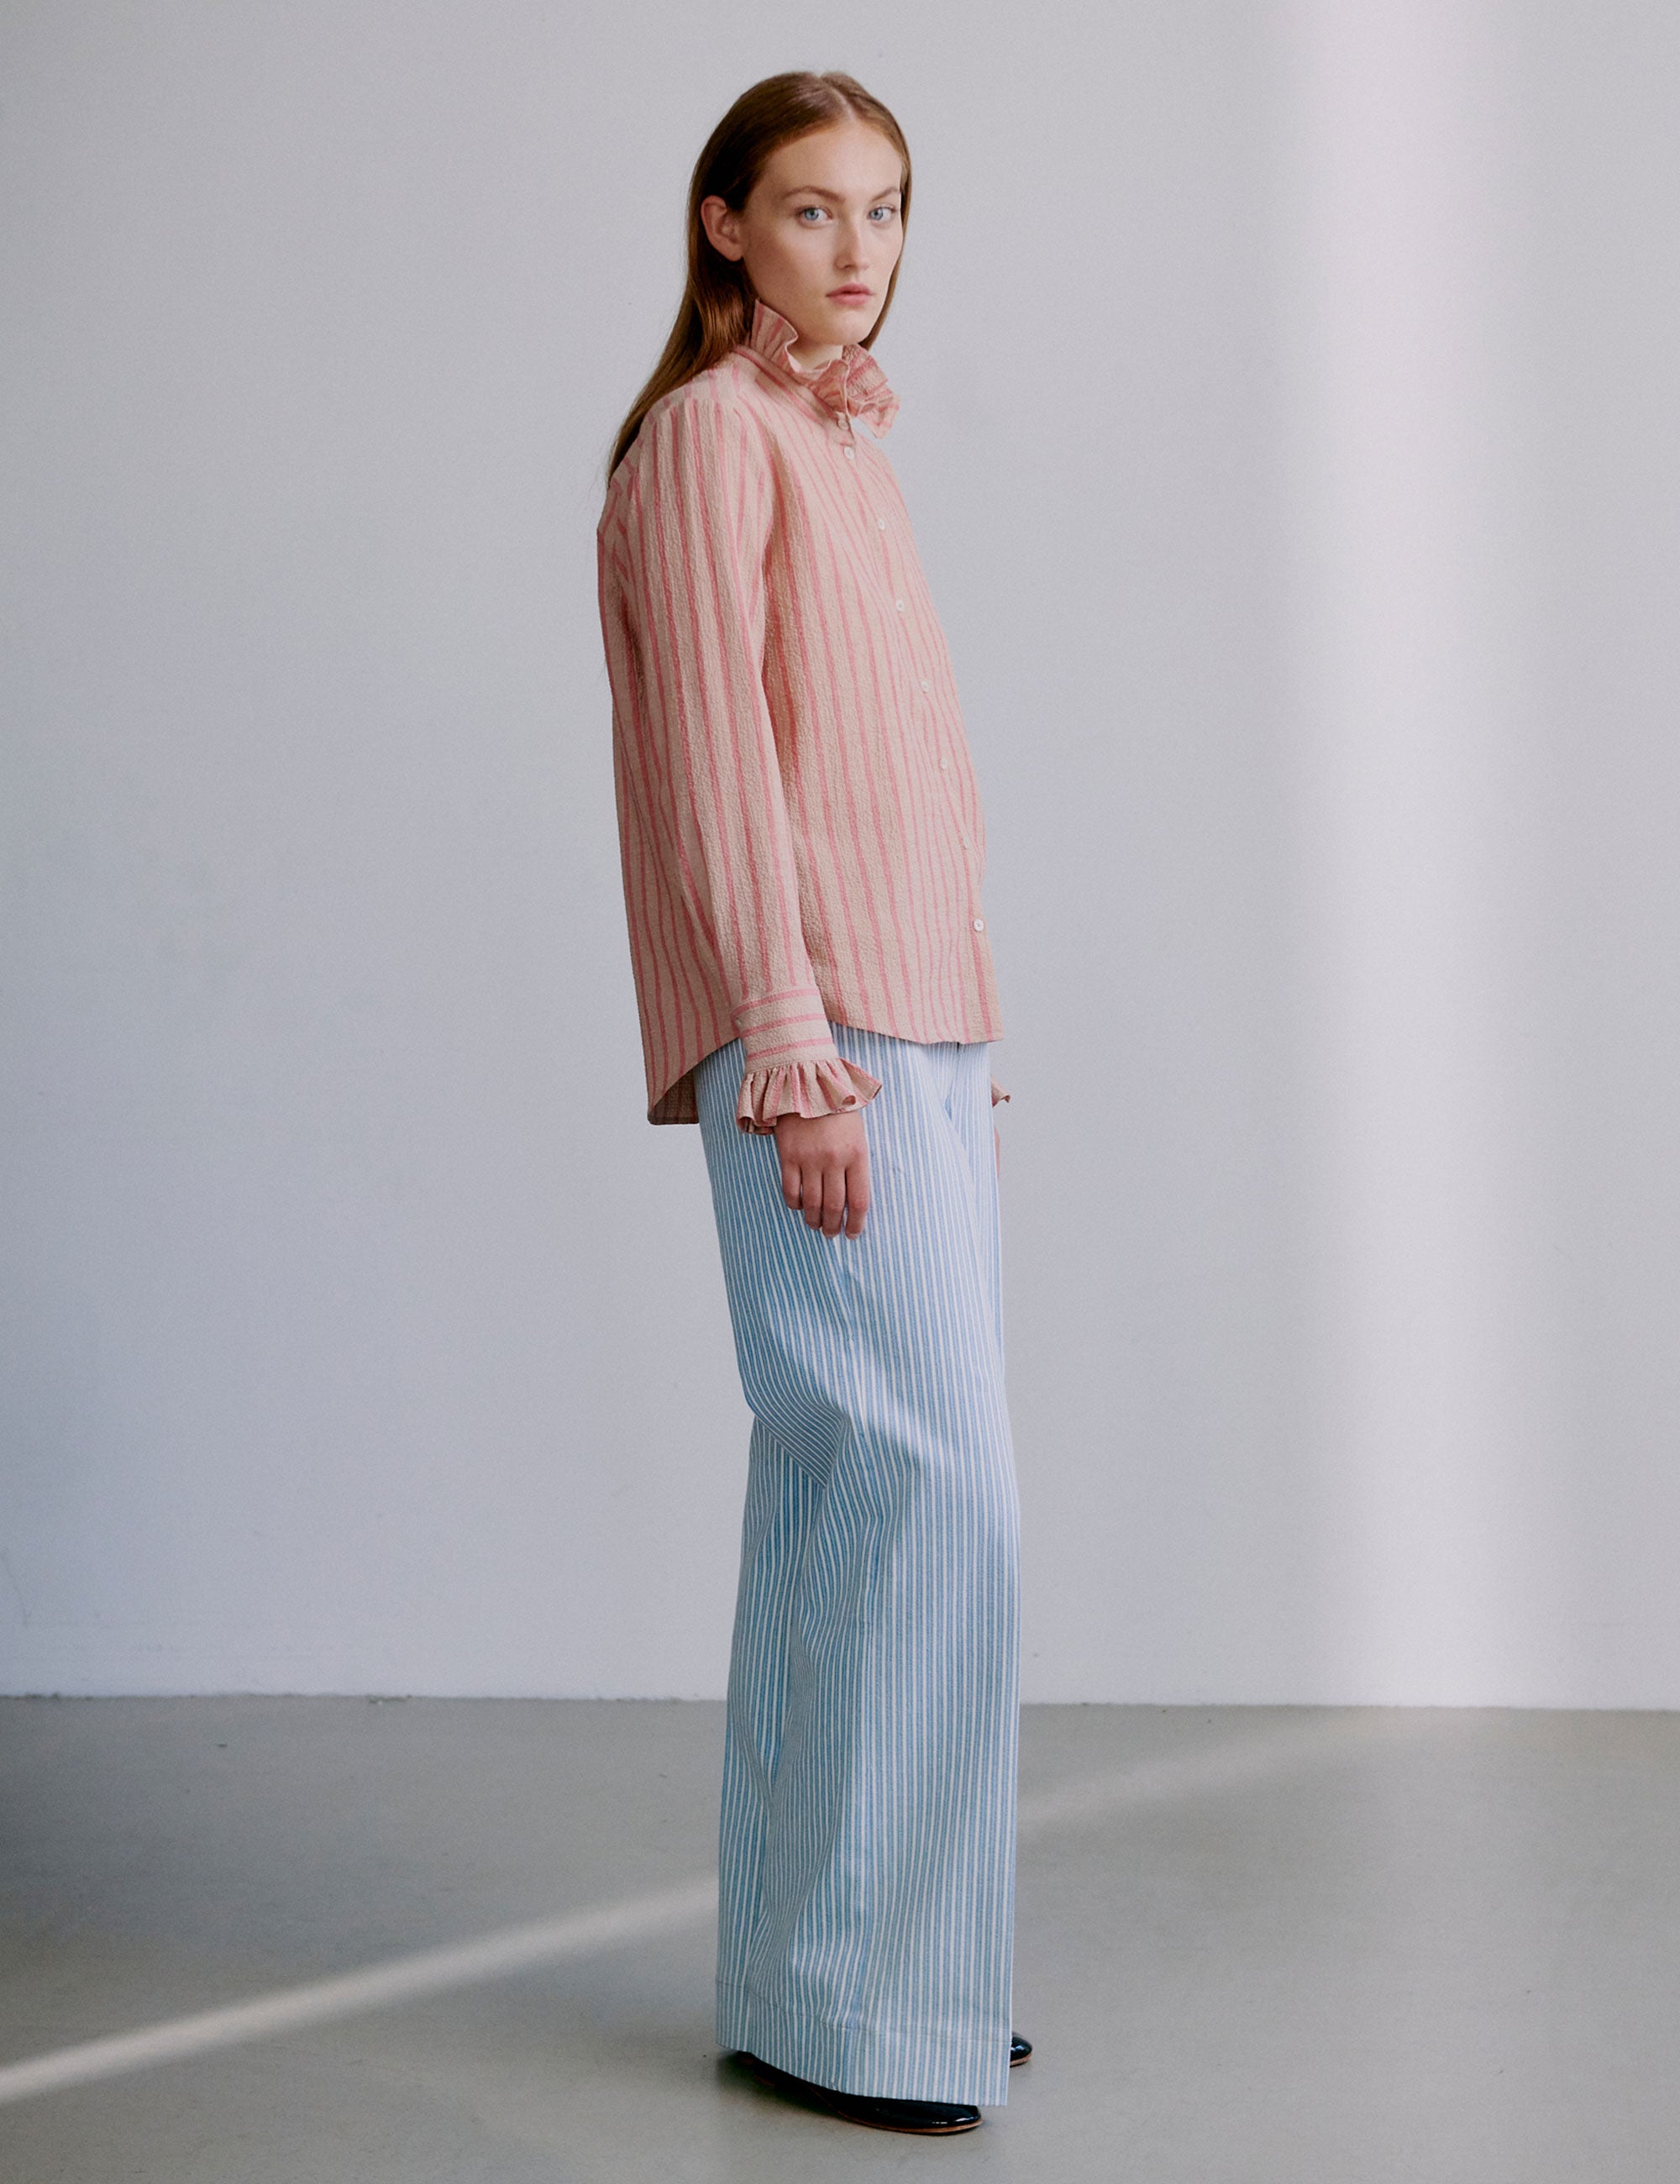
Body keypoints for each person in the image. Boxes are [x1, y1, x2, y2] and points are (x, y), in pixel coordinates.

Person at [596, 70, 1027, 2139]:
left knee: (850, 1493)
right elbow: (716, 769)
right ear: (724, 225)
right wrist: (793, 1045)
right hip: (822, 1037)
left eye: (886, 210)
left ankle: (836, 1980)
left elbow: (883, 771)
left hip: (910, 1030)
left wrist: (948, 1045)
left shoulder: (842, 447)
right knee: (931, 1499)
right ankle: (867, 1998)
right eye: (811, 210)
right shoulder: (708, 437)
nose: (859, 251)